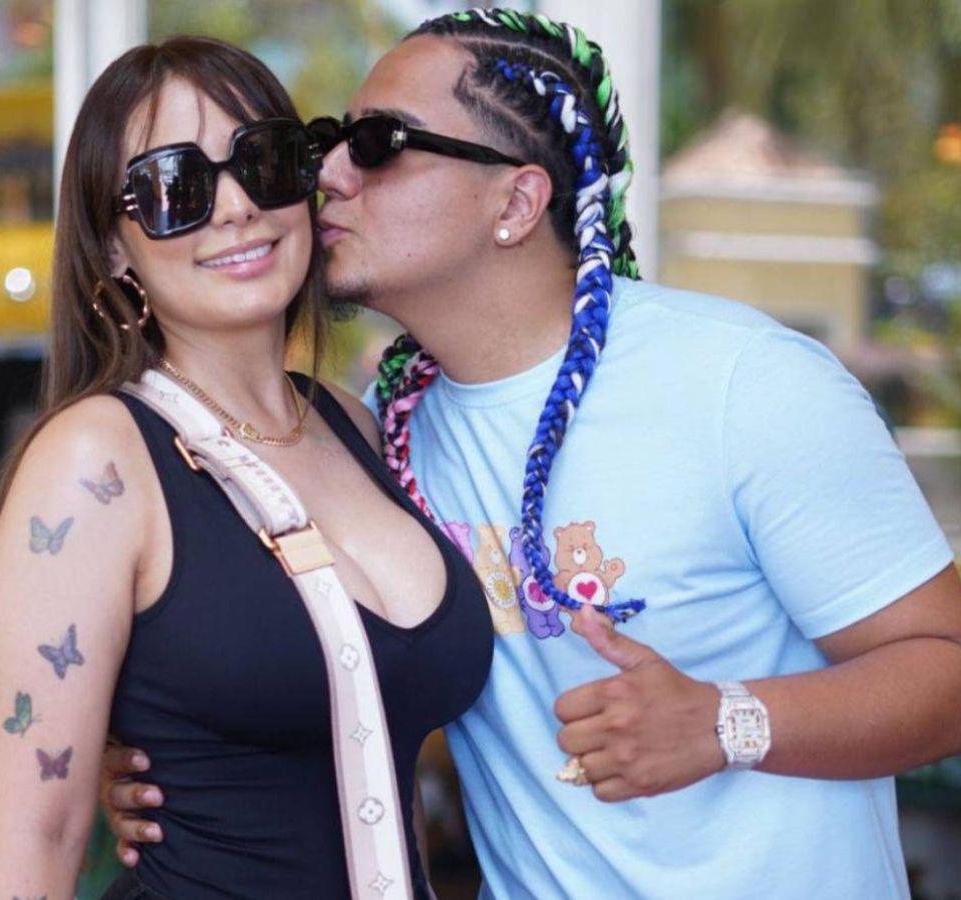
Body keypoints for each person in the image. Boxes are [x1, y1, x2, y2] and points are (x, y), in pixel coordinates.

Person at [103, 8, 961, 898]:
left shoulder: (742, 384)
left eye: (379, 143)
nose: (328, 174)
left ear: (515, 204)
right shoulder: (376, 438)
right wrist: (157, 764)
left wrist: (726, 723)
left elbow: (947, 666)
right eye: (330, 142)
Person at [0, 36, 492, 900]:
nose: (238, 206)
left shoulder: (355, 426)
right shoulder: (92, 461)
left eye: (266, 161)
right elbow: (32, 848)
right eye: (175, 187)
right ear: (112, 247)